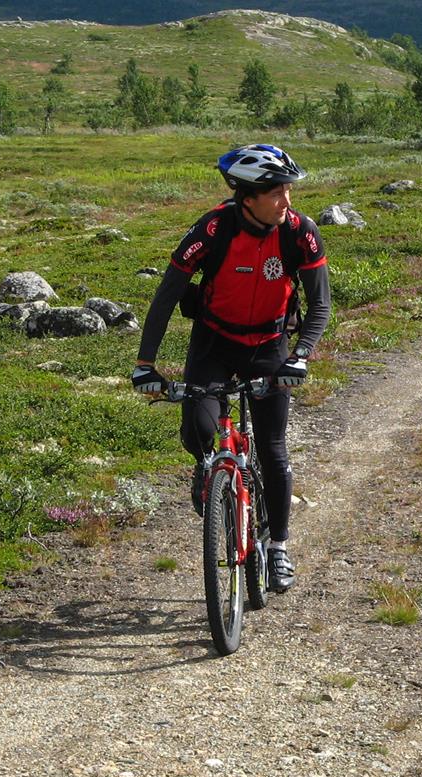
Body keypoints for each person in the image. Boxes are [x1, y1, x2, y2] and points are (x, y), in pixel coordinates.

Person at [131, 144, 331, 593]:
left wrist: (300, 356)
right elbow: (165, 297)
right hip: (214, 342)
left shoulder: (300, 232)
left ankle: (278, 547)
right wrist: (145, 364)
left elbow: (320, 305)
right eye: (277, 192)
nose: (287, 201)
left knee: (275, 450)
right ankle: (211, 469)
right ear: (248, 198)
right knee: (197, 431)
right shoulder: (213, 229)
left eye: (288, 191)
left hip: (269, 344)